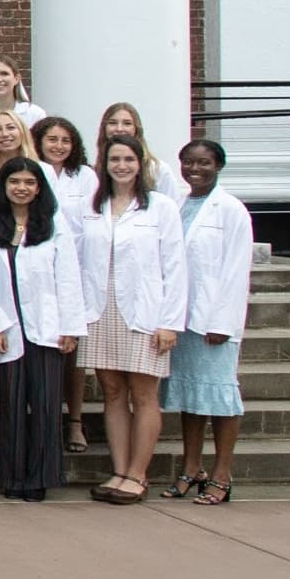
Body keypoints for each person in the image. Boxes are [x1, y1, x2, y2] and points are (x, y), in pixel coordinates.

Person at [80, 133, 184, 505]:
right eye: (114, 160)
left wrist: (170, 321)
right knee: (111, 392)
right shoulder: (94, 205)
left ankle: (138, 474)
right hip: (100, 310)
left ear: (140, 164)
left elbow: (175, 266)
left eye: (128, 159)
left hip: (145, 312)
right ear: (104, 165)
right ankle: (119, 469)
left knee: (143, 394)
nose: (121, 166)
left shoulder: (160, 207)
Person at [0, 157, 89, 501]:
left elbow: (69, 279)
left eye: (29, 182)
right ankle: (13, 477)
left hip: (47, 327)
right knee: (10, 405)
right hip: (7, 329)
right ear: (4, 187)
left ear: (39, 187)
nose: (22, 188)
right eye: (15, 182)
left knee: (44, 405)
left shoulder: (54, 228)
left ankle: (40, 477)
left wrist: (70, 327)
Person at [164, 138, 252, 505]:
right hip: (182, 318)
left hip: (214, 321)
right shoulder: (178, 205)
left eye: (203, 163)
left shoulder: (230, 210)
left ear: (218, 165)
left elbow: (236, 269)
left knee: (219, 398)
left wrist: (223, 322)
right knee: (191, 397)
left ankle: (221, 474)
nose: (194, 169)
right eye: (188, 162)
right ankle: (191, 468)